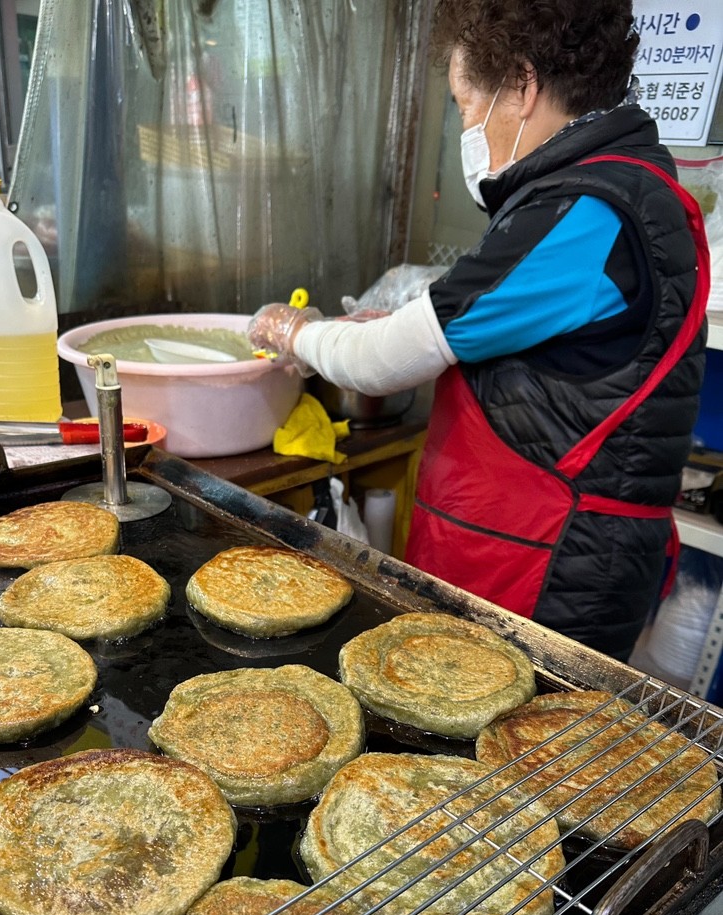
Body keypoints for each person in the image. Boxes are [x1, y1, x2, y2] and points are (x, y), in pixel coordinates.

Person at [248, 0, 710, 662]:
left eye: (465, 104)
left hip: (548, 560)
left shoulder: (588, 213)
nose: (466, 125)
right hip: (545, 544)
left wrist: (295, 331)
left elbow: (377, 363)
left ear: (521, 86)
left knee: (508, 725)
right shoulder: (620, 189)